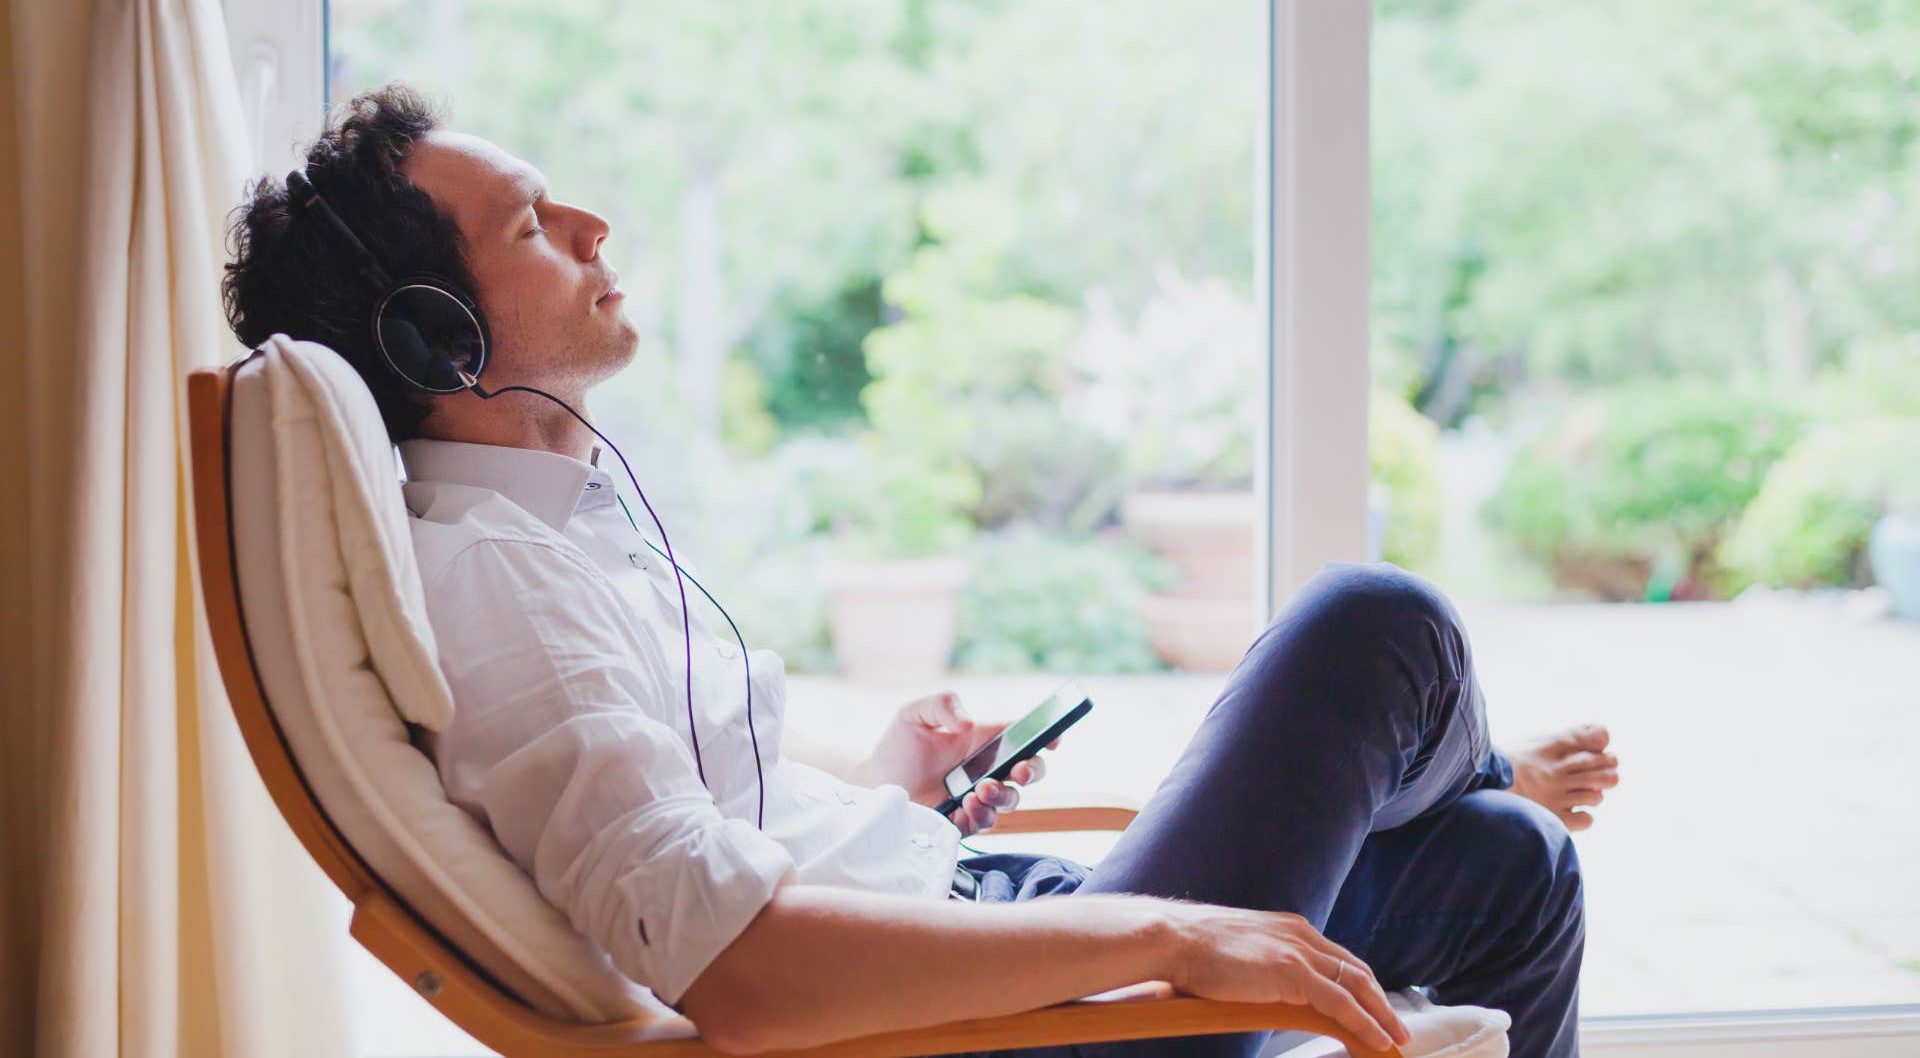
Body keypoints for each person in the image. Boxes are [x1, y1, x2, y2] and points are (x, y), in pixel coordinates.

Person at [221, 85, 1619, 1058]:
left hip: (980, 932)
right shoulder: (503, 591)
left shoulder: (556, 536)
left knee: (1512, 871)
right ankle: (1462, 764)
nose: (594, 225)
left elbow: (704, 855)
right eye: (530, 224)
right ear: (431, 340)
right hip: (1000, 1035)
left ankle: (1475, 790)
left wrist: (887, 791)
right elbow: (746, 980)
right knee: (1378, 627)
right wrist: (1172, 938)